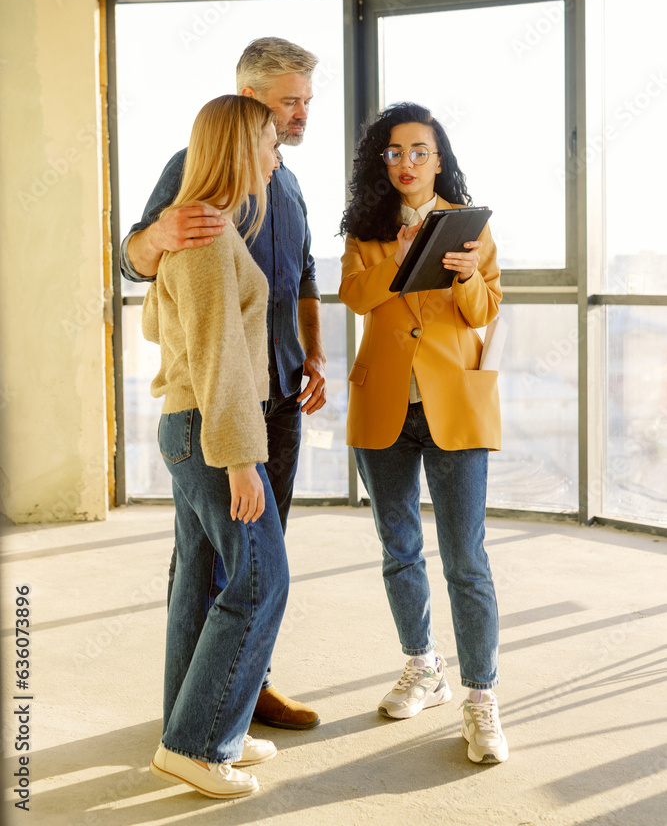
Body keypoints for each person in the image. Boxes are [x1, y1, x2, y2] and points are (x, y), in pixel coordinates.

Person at [121, 37, 325, 730]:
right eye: (288, 102)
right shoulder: (197, 168)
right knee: (223, 564)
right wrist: (157, 237)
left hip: (280, 392)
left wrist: (313, 356)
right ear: (249, 100)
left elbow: (302, 279)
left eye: (306, 101)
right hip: (217, 397)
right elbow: (136, 258)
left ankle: (239, 688)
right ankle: (198, 716)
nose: (301, 114)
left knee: (255, 550)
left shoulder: (286, 182)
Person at [339, 101, 508, 764]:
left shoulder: (470, 227)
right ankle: (422, 666)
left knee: (466, 559)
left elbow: (483, 312)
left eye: (418, 151)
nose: (406, 162)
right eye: (394, 152)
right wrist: (401, 258)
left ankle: (481, 698)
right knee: (399, 549)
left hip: (453, 407)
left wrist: (465, 277)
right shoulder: (365, 229)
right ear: (380, 163)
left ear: (439, 160)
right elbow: (355, 296)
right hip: (381, 404)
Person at [143, 94, 288, 798]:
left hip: (189, 424)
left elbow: (157, 324)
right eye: (269, 141)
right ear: (238, 148)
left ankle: (194, 725)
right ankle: (197, 745)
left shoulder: (203, 226)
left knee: (200, 579)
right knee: (260, 580)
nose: (277, 157)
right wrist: (239, 459)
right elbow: (219, 353)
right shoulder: (203, 233)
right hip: (210, 431)